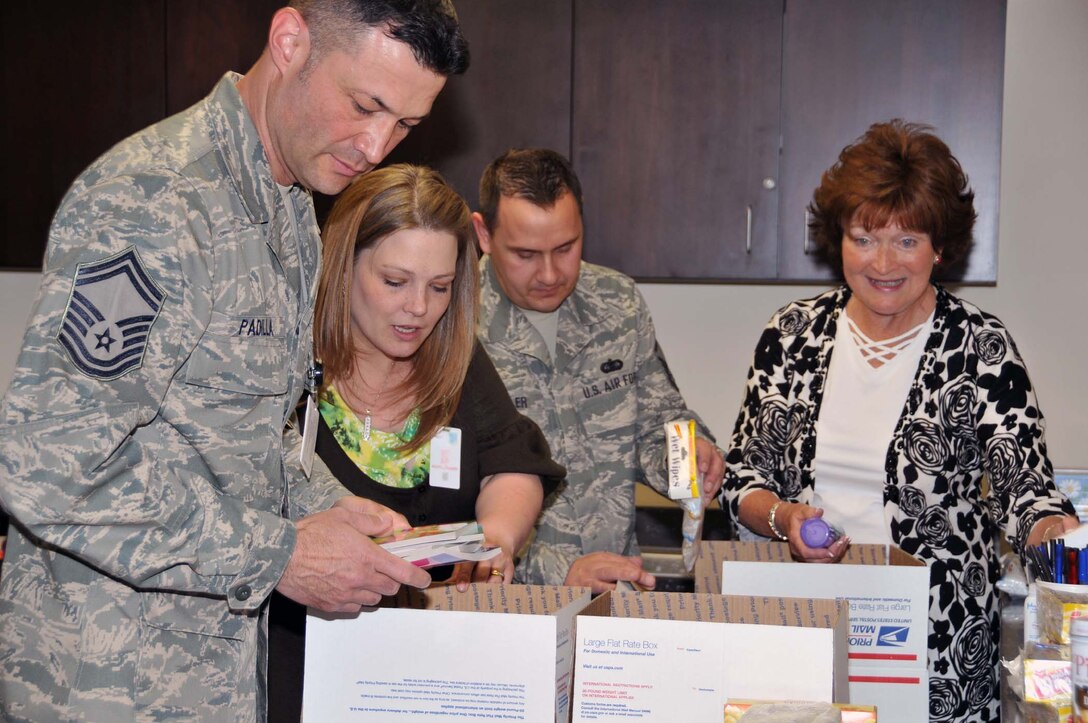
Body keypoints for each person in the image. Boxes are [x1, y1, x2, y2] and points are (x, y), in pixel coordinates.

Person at [0, 2, 469, 720]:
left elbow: (244, 432)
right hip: (105, 683)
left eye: (405, 124)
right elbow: (50, 460)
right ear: (290, 42)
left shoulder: (288, 207)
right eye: (364, 105)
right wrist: (280, 555)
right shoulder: (156, 202)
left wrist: (330, 511)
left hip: (211, 677)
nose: (377, 147)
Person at [722, 119, 1078, 723]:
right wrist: (785, 518)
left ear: (940, 247)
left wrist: (1059, 536)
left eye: (907, 240)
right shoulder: (790, 335)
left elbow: (1025, 491)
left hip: (937, 650)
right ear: (839, 239)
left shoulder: (981, 348)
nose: (882, 262)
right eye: (864, 237)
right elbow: (743, 481)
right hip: (804, 630)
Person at [268, 164, 564, 720]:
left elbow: (511, 464)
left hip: (427, 680)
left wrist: (497, 537)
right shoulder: (285, 361)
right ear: (342, 265)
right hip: (301, 675)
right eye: (395, 282)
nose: (419, 309)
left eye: (440, 288)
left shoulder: (460, 363)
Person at [473, 148, 725, 592]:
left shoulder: (617, 302)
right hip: (505, 603)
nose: (550, 273)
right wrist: (555, 575)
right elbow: (441, 498)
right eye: (526, 254)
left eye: (565, 248)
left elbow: (659, 420)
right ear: (484, 234)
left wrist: (690, 458)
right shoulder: (452, 323)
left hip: (616, 591)